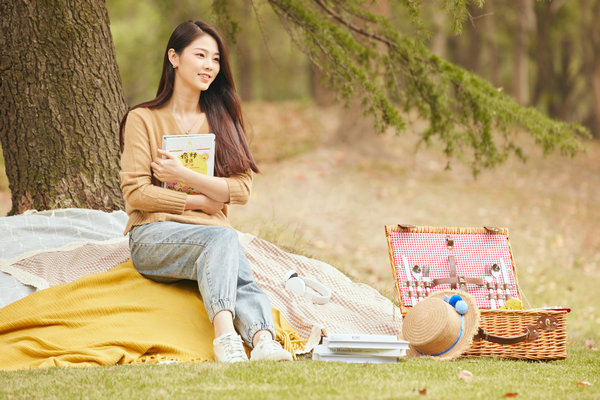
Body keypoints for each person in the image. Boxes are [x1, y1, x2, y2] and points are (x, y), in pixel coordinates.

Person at [119, 20, 292, 363]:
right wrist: (203, 201)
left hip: (212, 234)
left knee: (226, 248)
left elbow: (241, 190)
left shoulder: (221, 117)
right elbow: (136, 193)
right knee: (223, 241)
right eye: (200, 55)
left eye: (215, 59)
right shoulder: (143, 118)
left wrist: (184, 175)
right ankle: (226, 336)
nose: (209, 66)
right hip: (153, 235)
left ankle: (263, 340)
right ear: (174, 57)